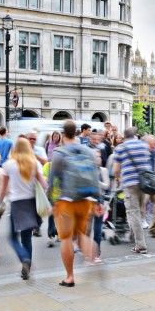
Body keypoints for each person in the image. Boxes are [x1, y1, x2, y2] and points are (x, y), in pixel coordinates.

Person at [48, 120, 102, 285]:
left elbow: (52, 181)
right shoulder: (88, 151)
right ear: (77, 132)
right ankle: (93, 256)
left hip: (66, 201)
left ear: (63, 134)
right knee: (81, 234)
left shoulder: (59, 153)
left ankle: (70, 277)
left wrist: (51, 201)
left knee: (66, 239)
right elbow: (95, 176)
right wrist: (98, 201)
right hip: (85, 200)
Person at [0, 138, 48, 280]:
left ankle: (24, 259)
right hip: (31, 203)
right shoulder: (34, 163)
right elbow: (44, 185)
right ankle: (27, 267)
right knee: (27, 238)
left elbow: (4, 188)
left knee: (12, 237)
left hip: (17, 204)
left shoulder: (8, 165)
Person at [113, 127, 152, 254]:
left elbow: (116, 169)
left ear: (125, 136)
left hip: (130, 183)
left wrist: (118, 178)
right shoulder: (143, 146)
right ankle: (133, 235)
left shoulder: (121, 148)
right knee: (139, 212)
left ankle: (140, 245)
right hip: (145, 183)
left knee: (133, 212)